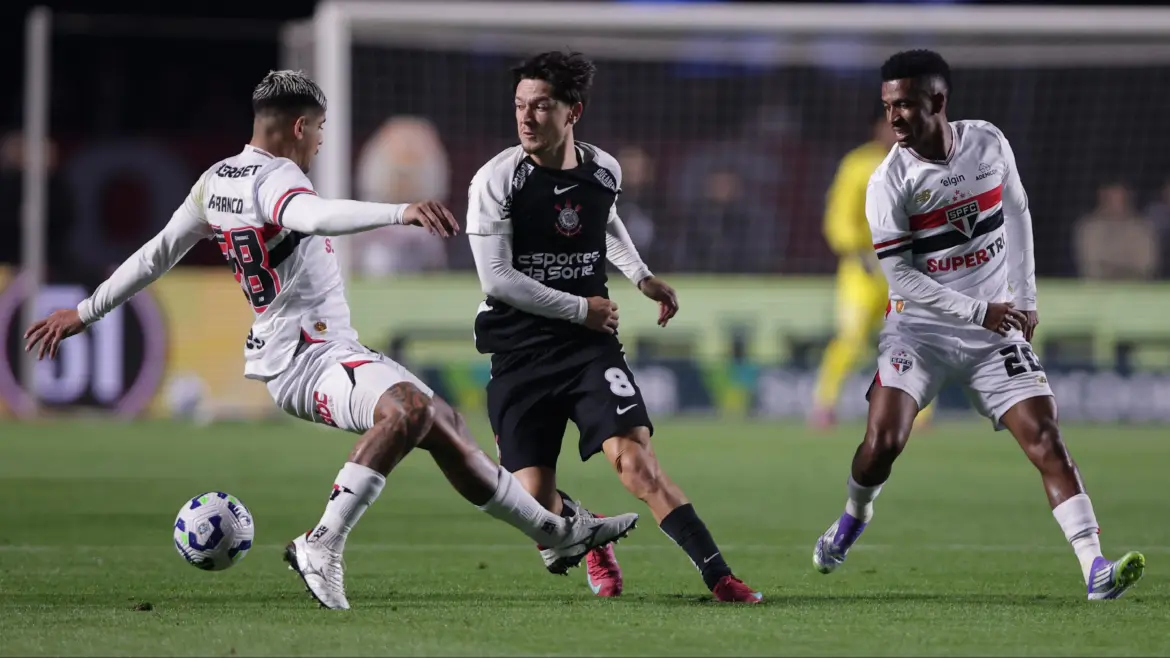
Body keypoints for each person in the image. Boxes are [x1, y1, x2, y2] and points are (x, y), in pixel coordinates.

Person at [22, 70, 638, 611]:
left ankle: (562, 534)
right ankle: (323, 543)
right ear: (297, 126)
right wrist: (398, 212)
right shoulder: (277, 178)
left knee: (443, 424)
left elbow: (155, 256)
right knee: (410, 409)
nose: (320, 142)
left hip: (308, 351)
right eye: (319, 130)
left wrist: (83, 311)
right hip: (308, 355)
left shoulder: (216, 182)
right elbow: (310, 217)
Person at [811, 50, 1145, 600]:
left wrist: (1024, 297)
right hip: (919, 333)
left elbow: (1017, 212)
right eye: (888, 105)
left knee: (1046, 440)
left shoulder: (988, 143)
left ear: (938, 102)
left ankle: (1095, 569)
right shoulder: (888, 180)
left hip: (995, 333)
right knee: (883, 442)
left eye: (906, 105)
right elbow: (898, 275)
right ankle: (853, 517)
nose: (894, 117)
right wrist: (978, 309)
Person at [465, 51, 761, 603]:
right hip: (519, 353)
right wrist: (583, 307)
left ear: (573, 111)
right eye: (519, 106)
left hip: (587, 350)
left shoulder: (603, 170)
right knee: (533, 505)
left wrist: (641, 276)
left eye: (541, 107)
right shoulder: (496, 180)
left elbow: (607, 222)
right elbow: (499, 280)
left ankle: (719, 575)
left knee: (636, 463)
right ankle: (592, 535)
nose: (526, 118)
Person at [810, 111, 933, 430]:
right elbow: (838, 216)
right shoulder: (857, 165)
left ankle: (919, 413)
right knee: (850, 338)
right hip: (863, 269)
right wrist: (854, 248)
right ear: (877, 127)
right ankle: (825, 404)